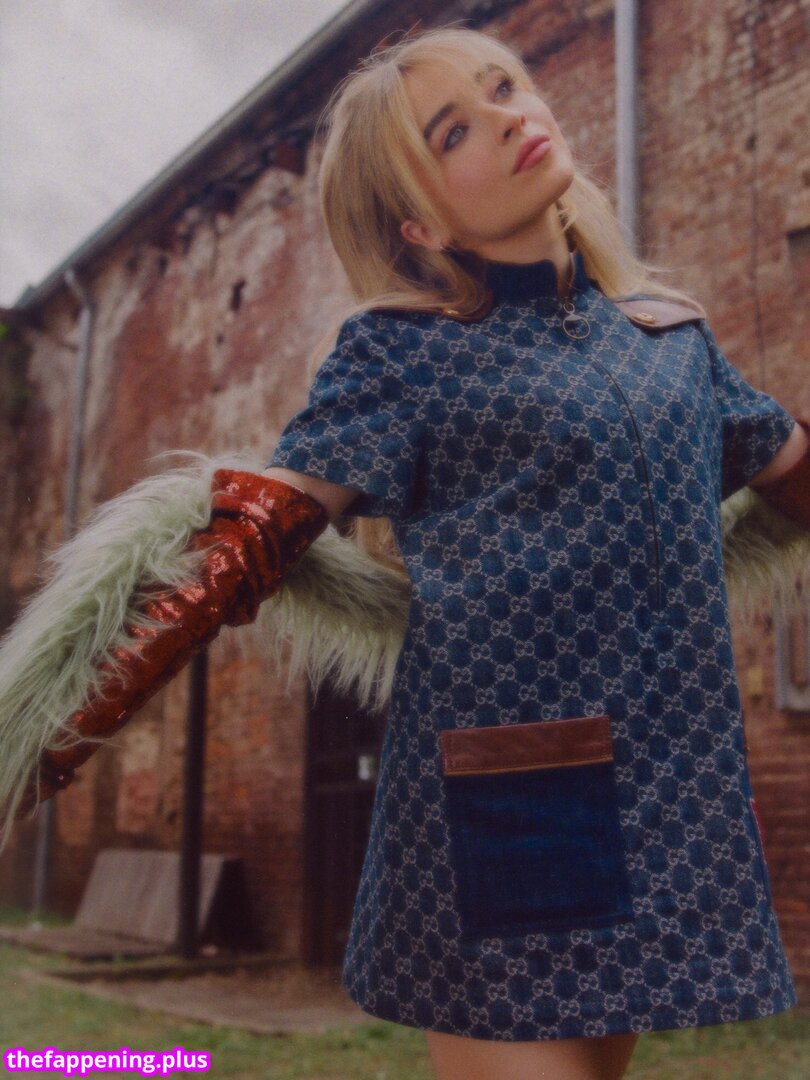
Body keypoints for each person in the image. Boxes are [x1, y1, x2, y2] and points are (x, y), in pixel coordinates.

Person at [2, 24, 809, 1080]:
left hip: (670, 788)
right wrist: (34, 741)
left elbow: (793, 476)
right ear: (420, 222)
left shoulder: (673, 339)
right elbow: (247, 542)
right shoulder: (403, 352)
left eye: (505, 87)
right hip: (511, 799)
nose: (509, 117)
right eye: (453, 130)